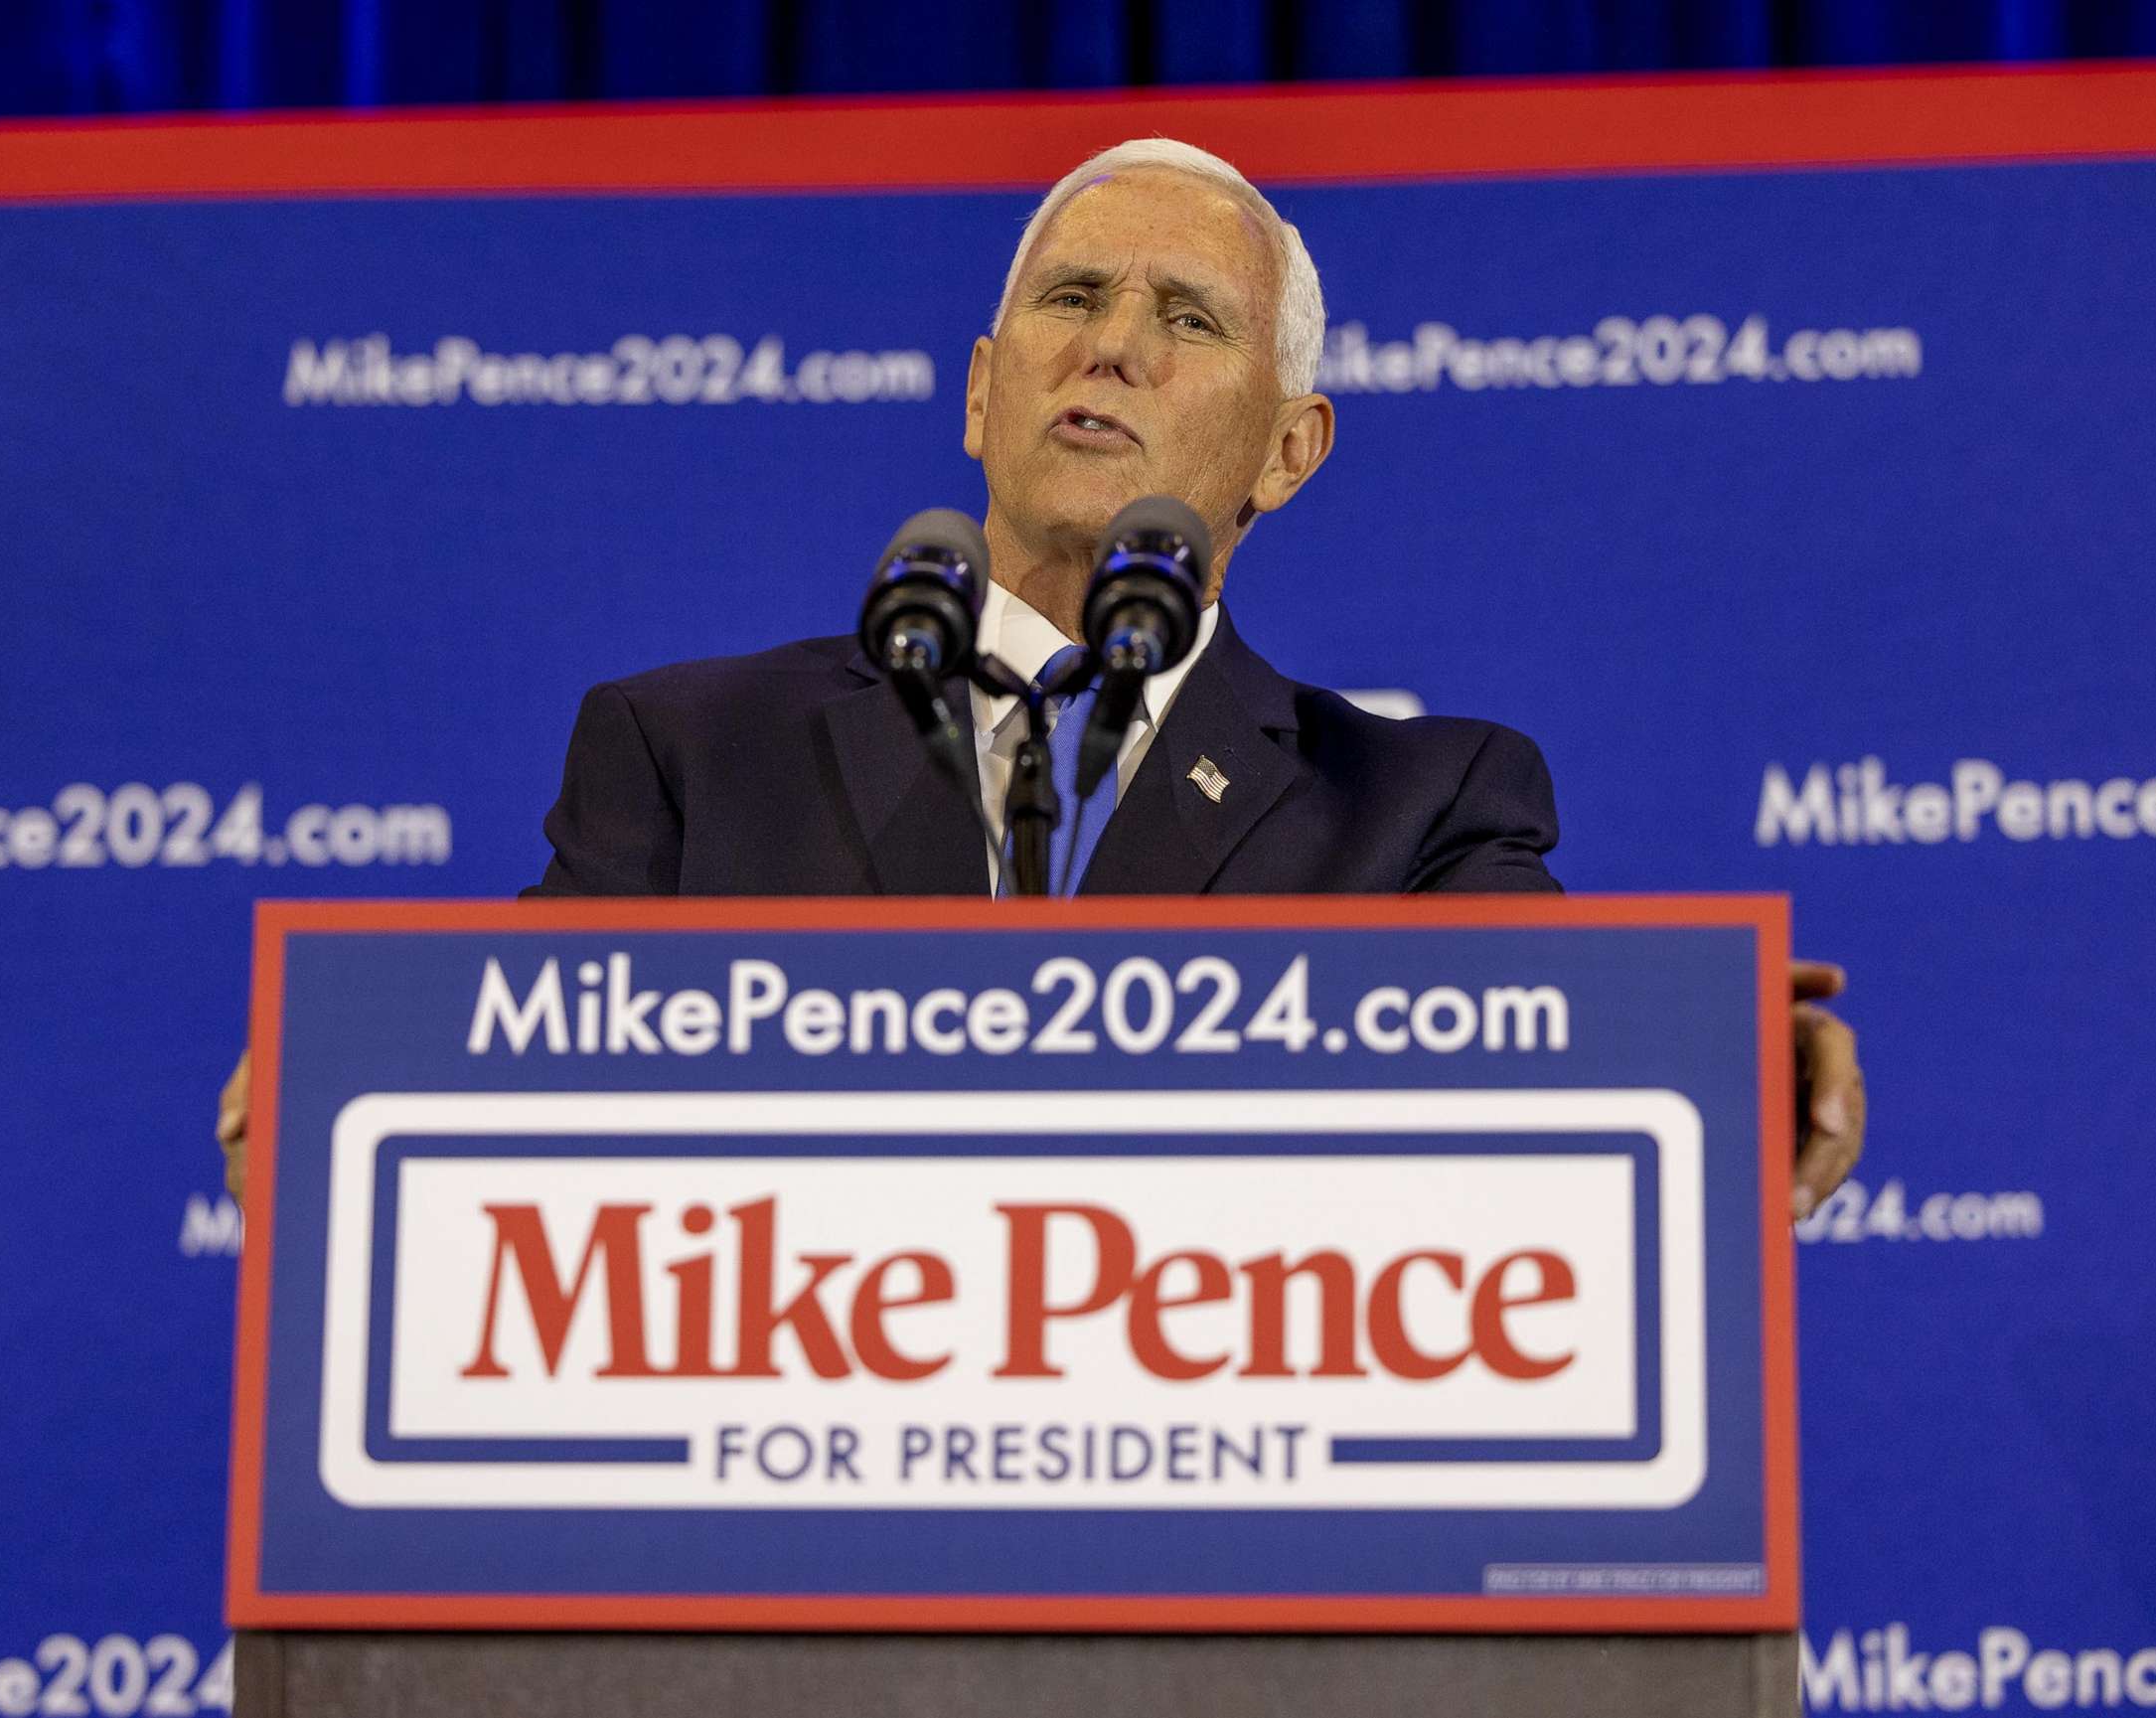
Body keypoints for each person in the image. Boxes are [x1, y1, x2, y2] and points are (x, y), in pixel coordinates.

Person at [217, 138, 1864, 1206]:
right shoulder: (689, 751)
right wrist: (347, 1089)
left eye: (1187, 320)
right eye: (1070, 300)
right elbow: (505, 1081)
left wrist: (1720, 1085)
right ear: (984, 390)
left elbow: (1550, 1062)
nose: (1113, 346)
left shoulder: (1422, 807)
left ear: (1287, 451)